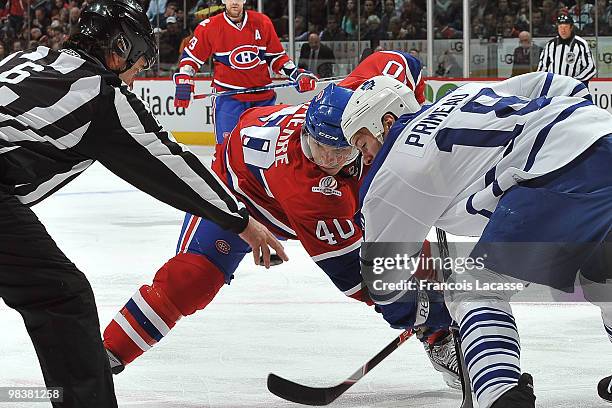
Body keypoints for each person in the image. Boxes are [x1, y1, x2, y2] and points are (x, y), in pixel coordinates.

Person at [103, 49, 462, 389]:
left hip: (300, 172)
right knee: (192, 277)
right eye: (321, 148)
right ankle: (105, 354)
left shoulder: (364, 94)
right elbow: (361, 280)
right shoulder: (310, 191)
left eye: (342, 148)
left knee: (411, 251)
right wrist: (427, 307)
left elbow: (402, 62)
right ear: (307, 132)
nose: (331, 159)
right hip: (240, 193)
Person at [0, 0, 288, 406]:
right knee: (61, 296)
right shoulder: (102, 95)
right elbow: (172, 165)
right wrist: (241, 221)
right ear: (119, 49)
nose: (136, 75)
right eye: (137, 62)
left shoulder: (28, 55)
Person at [321, 72, 611, 407]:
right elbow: (557, 84)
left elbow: (383, 281)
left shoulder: (394, 169)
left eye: (362, 144)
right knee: (604, 276)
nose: (365, 158)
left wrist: (429, 304)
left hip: (552, 172)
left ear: (386, 121)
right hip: (601, 136)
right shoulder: (460, 94)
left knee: (474, 285)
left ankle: (499, 394)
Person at [173, 0, 317, 144]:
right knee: (226, 149)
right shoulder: (209, 26)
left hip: (262, 100)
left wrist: (296, 74)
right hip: (229, 99)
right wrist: (185, 79)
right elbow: (190, 59)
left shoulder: (262, 22)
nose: (234, 2)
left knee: (263, 150)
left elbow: (277, 57)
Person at [537, 14, 596, 87]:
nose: (563, 30)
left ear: (571, 27)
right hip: (554, 87)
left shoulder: (581, 44)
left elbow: (591, 68)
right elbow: (542, 67)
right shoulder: (550, 45)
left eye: (566, 27)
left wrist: (576, 82)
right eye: (560, 27)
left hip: (575, 88)